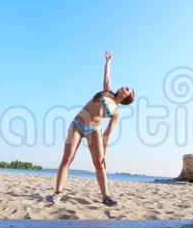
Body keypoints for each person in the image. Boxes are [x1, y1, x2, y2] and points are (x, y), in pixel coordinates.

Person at [46, 50, 135, 206]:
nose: (123, 88)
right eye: (125, 87)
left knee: (100, 164)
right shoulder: (107, 92)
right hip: (78, 124)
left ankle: (106, 196)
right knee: (67, 158)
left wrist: (104, 151)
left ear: (127, 98)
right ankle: (58, 192)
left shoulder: (116, 112)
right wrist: (108, 61)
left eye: (127, 90)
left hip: (94, 130)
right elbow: (107, 75)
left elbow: (107, 133)